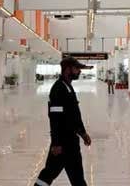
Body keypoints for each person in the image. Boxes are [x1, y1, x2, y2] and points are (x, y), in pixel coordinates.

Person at [34, 56, 92, 186]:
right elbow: (55, 118)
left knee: (76, 177)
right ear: (67, 70)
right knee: (49, 174)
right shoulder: (58, 89)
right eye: (77, 68)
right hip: (63, 143)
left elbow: (74, 116)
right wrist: (56, 143)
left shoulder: (68, 87)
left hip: (71, 141)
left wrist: (82, 133)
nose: (79, 71)